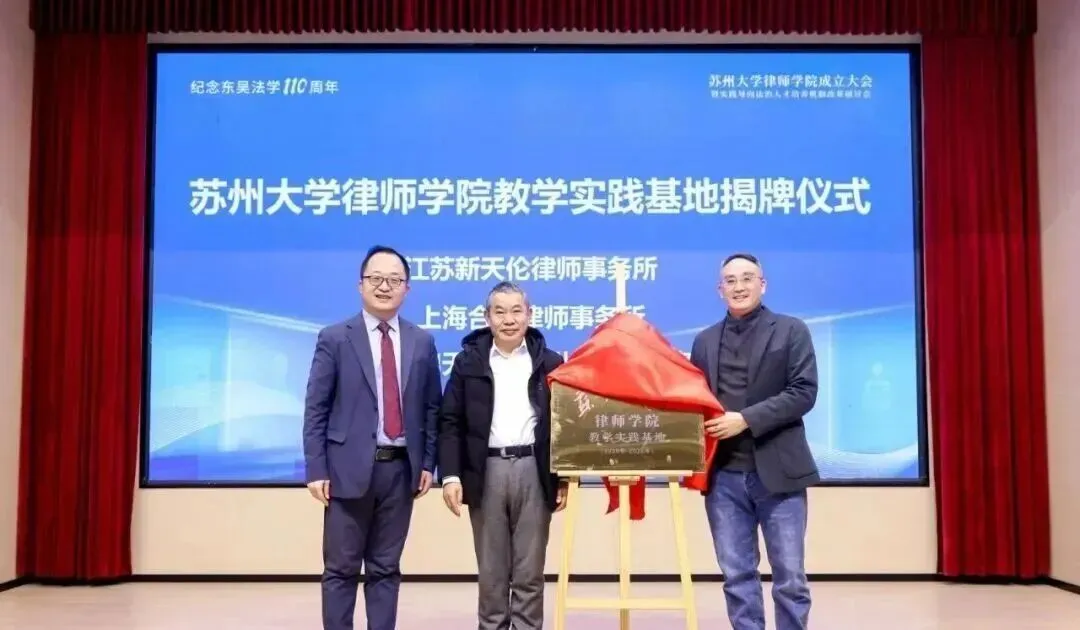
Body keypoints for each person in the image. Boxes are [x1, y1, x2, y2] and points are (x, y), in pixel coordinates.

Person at [302, 245, 442, 630]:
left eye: (394, 280)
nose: (385, 286)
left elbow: (432, 407)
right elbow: (316, 407)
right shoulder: (335, 338)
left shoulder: (422, 341)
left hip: (400, 471)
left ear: (407, 289)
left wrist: (428, 462)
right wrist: (316, 468)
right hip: (346, 471)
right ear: (360, 285)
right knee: (341, 569)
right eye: (376, 278)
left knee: (386, 569)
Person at [689, 253, 819, 630]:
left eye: (747, 278)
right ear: (720, 289)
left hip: (779, 473)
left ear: (763, 284)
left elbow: (803, 392)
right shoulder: (704, 341)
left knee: (790, 579)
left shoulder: (791, 330)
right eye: (730, 281)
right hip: (723, 477)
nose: (739, 286)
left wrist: (745, 419)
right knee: (737, 577)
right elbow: (694, 401)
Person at [437, 281, 568, 630]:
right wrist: (450, 476)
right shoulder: (468, 362)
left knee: (530, 571)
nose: (509, 320)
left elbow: (562, 423)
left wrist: (563, 476)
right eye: (500, 312)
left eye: (516, 311)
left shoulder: (550, 362)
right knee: (492, 572)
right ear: (487, 318)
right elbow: (450, 421)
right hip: (486, 471)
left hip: (534, 471)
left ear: (529, 315)